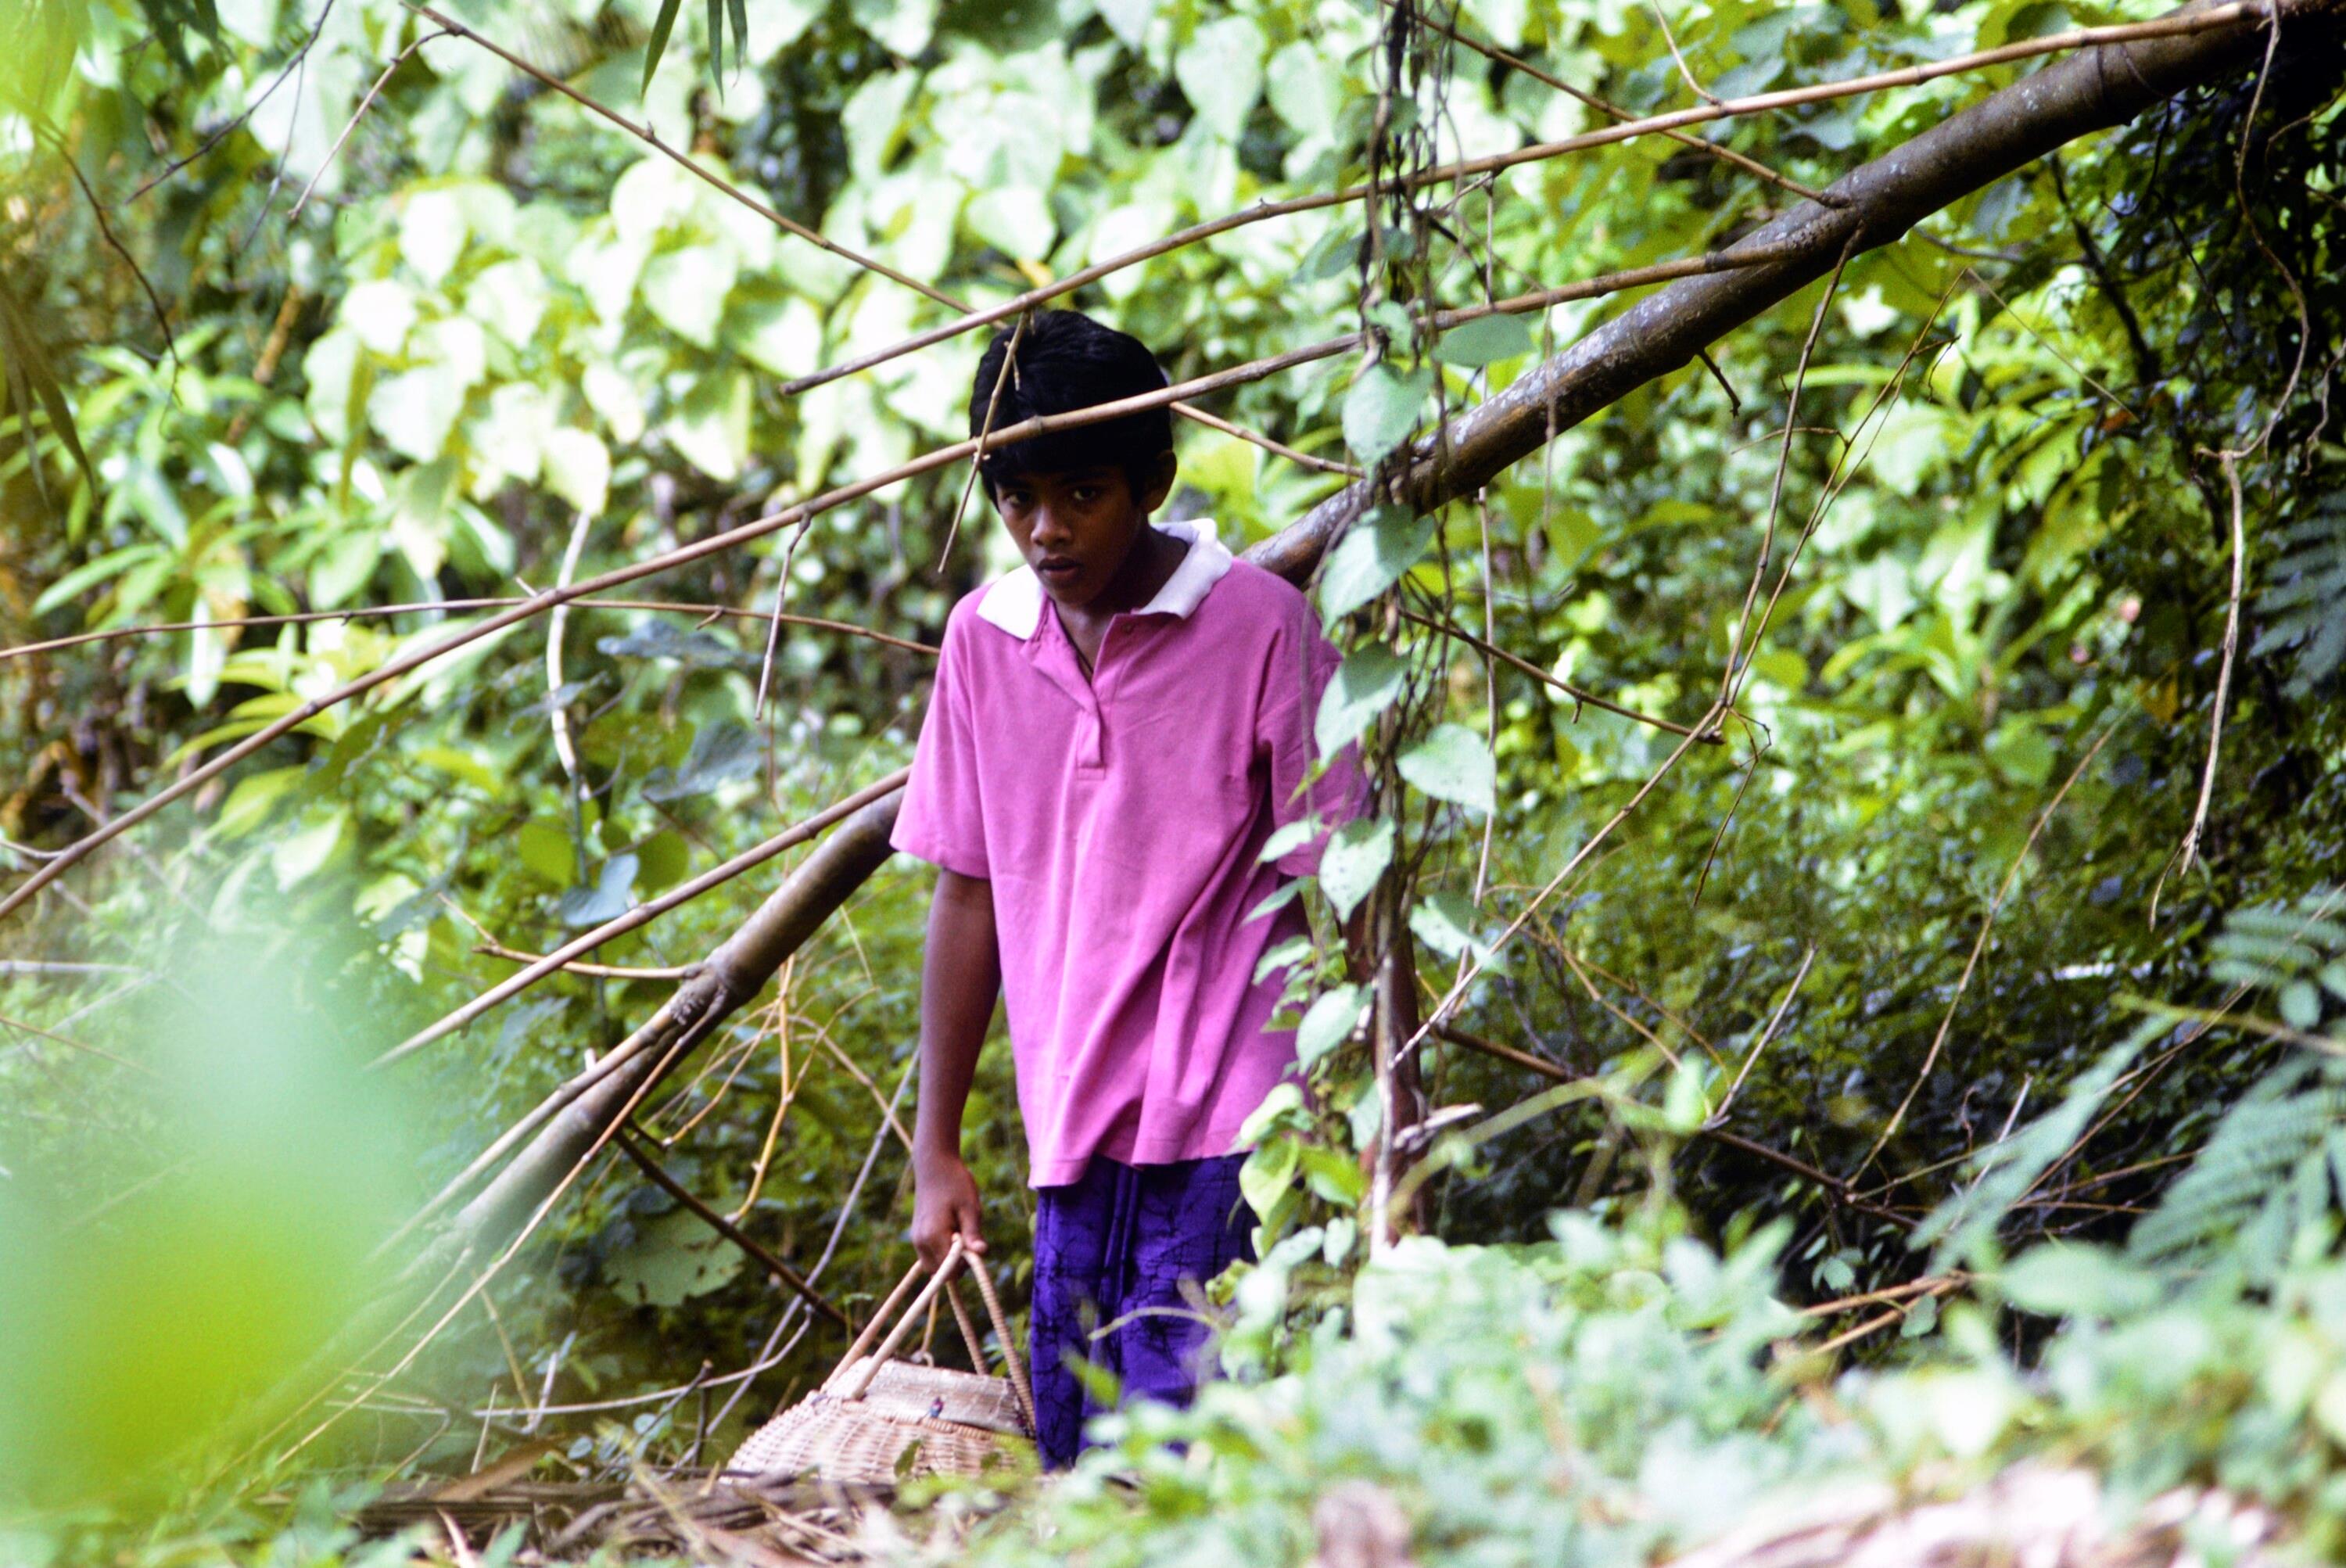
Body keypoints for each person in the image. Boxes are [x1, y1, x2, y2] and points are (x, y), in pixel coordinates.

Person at [890, 308, 1360, 1469]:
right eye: (1018, 498)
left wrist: (1367, 1110)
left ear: (1153, 482)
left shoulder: (1262, 629)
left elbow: (1345, 886)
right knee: (1081, 1454)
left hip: (1236, 1118)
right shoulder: (982, 642)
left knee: (1190, 1453)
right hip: (1071, 1131)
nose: (1046, 530)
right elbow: (967, 894)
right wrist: (935, 1146)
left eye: (1082, 494)